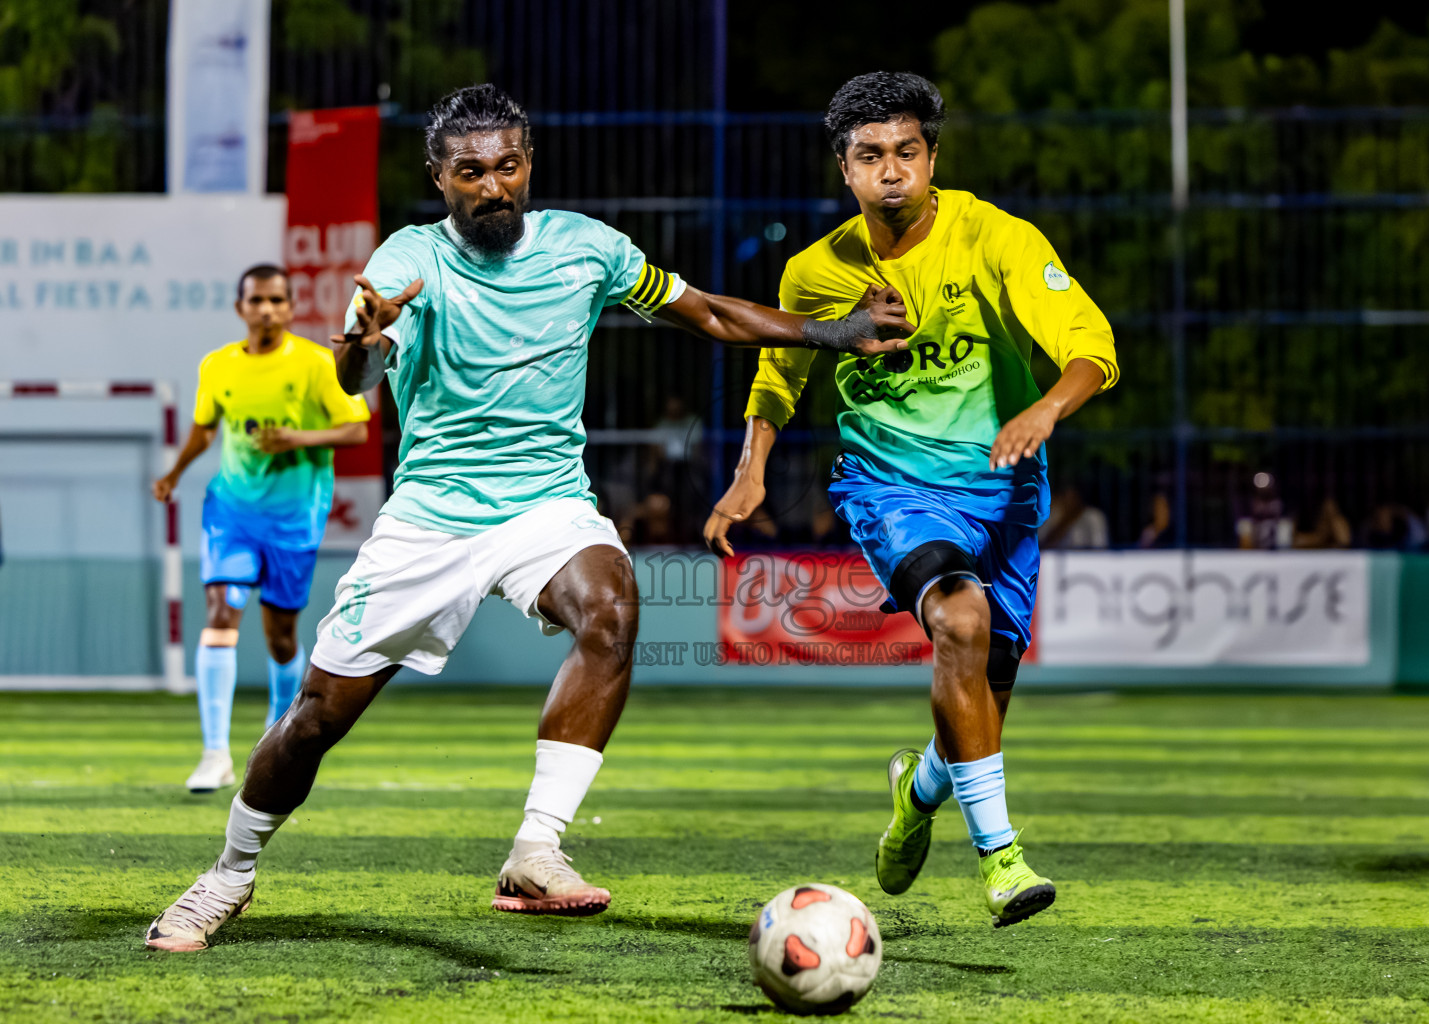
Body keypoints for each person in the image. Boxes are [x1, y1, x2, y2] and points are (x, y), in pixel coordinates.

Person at [144, 83, 912, 952]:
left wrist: (835, 331)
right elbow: (359, 378)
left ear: (528, 165)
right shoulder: (411, 258)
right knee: (318, 713)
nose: (493, 186)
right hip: (431, 519)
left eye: (508, 166)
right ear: (440, 177)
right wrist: (362, 339)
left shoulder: (589, 249)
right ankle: (229, 874)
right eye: (471, 171)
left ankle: (537, 848)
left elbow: (704, 312)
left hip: (544, 504)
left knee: (613, 607)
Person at [705, 73, 1118, 928]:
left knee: (983, 708)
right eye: (870, 157)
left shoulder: (994, 237)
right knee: (959, 622)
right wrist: (752, 469)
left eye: (905, 152)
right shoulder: (814, 272)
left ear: (931, 159)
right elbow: (778, 374)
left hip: (1003, 490)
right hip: (889, 485)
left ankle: (918, 790)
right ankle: (1002, 860)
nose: (890, 171)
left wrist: (1045, 407)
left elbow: (1092, 345)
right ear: (845, 171)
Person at [152, 265, 370, 794]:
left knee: (279, 638)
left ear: (291, 308)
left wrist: (294, 439)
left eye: (277, 300)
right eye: (257, 301)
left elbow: (357, 428)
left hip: (294, 518)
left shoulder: (318, 363)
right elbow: (205, 430)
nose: (267, 309)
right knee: (221, 613)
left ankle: (276, 735)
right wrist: (175, 473)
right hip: (230, 513)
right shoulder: (218, 365)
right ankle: (213, 754)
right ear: (240, 308)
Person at [1040, 483, 1109, 549]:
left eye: (1073, 497)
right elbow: (1042, 543)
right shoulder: (1053, 514)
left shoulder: (1093, 516)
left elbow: (1100, 547)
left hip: (1087, 559)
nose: (1069, 501)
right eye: (1065, 496)